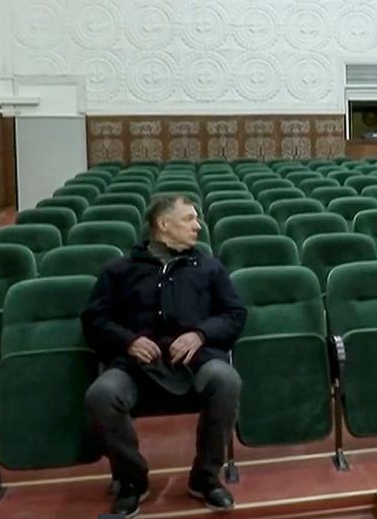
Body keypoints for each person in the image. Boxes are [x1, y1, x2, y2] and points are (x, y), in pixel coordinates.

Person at [82, 194, 247, 518]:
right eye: (189, 219)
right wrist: (128, 341)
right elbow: (93, 321)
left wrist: (200, 334)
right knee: (101, 394)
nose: (197, 226)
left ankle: (205, 478)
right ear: (163, 224)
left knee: (226, 380)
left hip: (195, 362)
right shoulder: (119, 270)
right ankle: (132, 481)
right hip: (135, 367)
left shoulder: (210, 267)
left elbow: (235, 314)